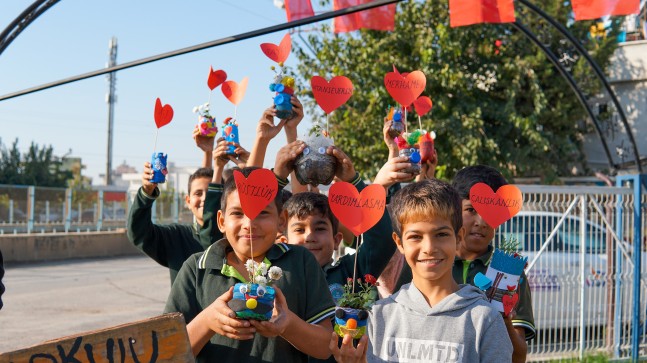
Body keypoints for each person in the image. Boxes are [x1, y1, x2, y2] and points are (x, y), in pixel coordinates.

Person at [164, 166, 336, 362]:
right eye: (238, 213)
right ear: (221, 221)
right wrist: (206, 321)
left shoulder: (300, 262)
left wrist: (288, 324)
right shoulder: (197, 269)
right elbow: (167, 352)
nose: (249, 223)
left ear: (281, 220)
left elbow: (325, 347)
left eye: (262, 213)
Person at [392, 165, 535, 363]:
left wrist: (501, 317)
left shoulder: (509, 274)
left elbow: (518, 357)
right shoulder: (427, 262)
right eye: (471, 210)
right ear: (454, 210)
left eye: (490, 211)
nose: (481, 221)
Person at [367, 179, 513, 362]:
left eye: (441, 234)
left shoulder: (484, 319)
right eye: (415, 237)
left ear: (458, 237)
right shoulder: (379, 317)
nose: (429, 247)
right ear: (399, 243)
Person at [126, 129, 249, 284]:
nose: (205, 198)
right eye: (198, 193)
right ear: (188, 201)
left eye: (210, 193)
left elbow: (210, 235)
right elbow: (138, 233)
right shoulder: (176, 237)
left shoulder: (237, 237)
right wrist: (146, 192)